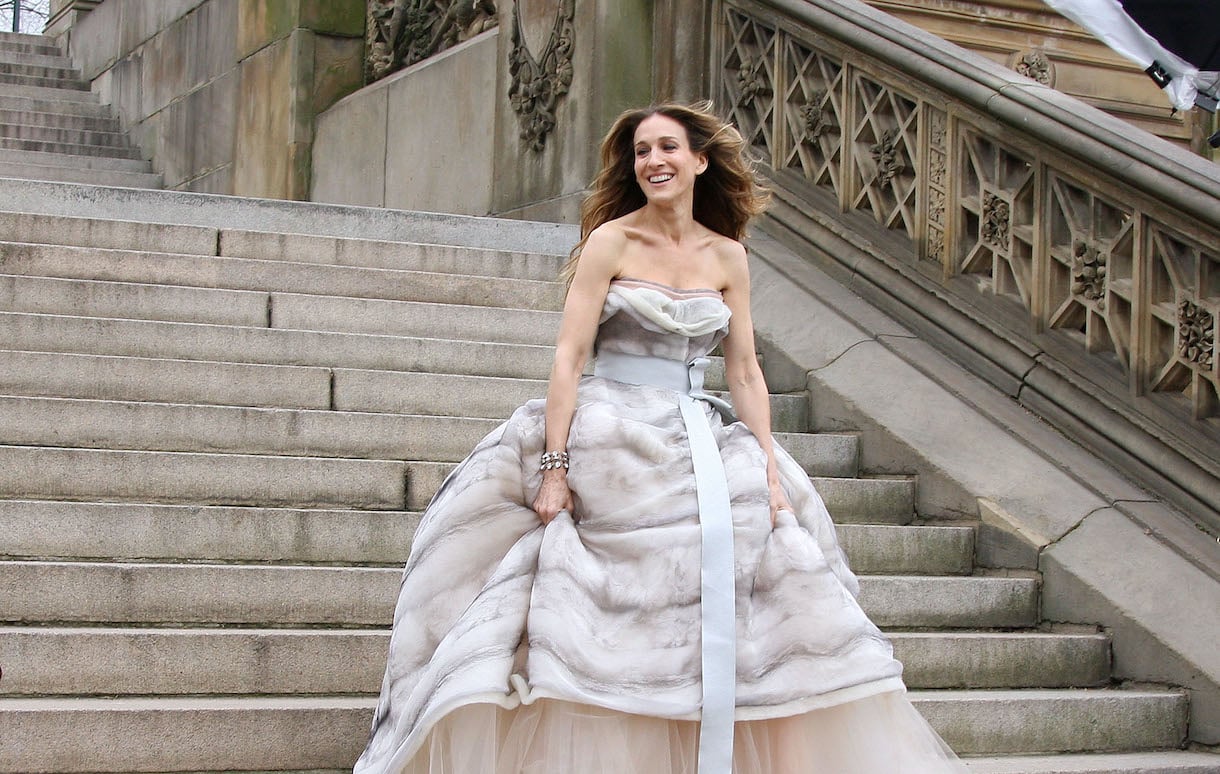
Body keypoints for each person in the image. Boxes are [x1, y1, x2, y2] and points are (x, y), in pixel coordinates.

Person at [353, 102, 969, 773]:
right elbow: (568, 357)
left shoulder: (728, 255)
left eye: (668, 147)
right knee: (607, 572)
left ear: (700, 160)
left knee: (773, 543)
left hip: (696, 423)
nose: (654, 162)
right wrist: (555, 467)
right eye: (642, 151)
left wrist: (767, 466)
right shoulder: (611, 243)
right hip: (611, 421)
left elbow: (744, 371)